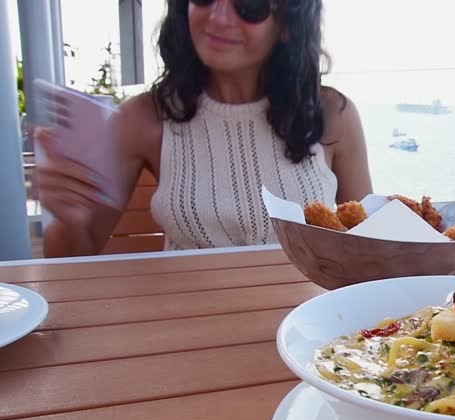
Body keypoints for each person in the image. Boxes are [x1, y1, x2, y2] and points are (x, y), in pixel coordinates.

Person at [35, 0, 372, 257]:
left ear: (288, 22)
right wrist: (68, 219)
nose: (218, 17)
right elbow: (75, 256)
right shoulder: (143, 117)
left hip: (308, 332)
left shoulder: (333, 114)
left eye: (249, 5)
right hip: (184, 327)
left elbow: (368, 241)